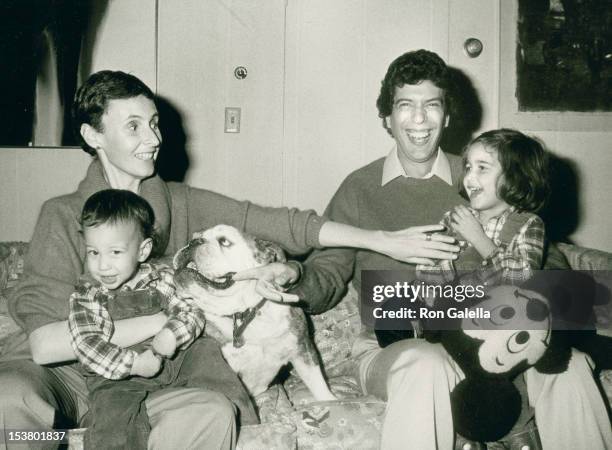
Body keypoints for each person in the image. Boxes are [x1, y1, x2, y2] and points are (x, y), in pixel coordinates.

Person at [0, 69, 458, 449]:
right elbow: (45, 346)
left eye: (155, 123)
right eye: (133, 126)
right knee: (10, 400)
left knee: (214, 412)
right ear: (92, 134)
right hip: (63, 378)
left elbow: (285, 224)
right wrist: (169, 322)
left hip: (147, 379)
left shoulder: (178, 201)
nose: (153, 138)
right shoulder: (61, 215)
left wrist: (383, 241)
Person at [268, 50, 610, 449]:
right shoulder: (359, 188)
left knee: (567, 368)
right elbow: (328, 271)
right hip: (401, 339)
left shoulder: (485, 176)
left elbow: (542, 248)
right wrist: (293, 280)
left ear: (447, 116)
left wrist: (544, 284)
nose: (418, 120)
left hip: (497, 326)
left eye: (431, 105)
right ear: (386, 118)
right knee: (426, 364)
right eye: (405, 106)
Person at [68, 189, 256, 449]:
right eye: (93, 252)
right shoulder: (87, 294)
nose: (103, 266)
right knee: (112, 422)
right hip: (118, 378)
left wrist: (171, 332)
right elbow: (87, 343)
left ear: (143, 250)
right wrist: (132, 364)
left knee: (205, 351)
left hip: (172, 360)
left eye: (115, 252)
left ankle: (249, 427)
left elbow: (190, 312)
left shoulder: (161, 279)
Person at [417, 128, 549, 288]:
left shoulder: (528, 224)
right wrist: (456, 267)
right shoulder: (455, 218)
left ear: (515, 177)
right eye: (468, 167)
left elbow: (524, 278)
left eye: (482, 168)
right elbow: (423, 270)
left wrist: (479, 239)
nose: (469, 177)